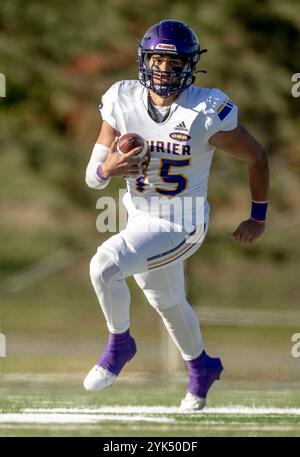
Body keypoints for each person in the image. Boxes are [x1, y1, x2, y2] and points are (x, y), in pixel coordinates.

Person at [83, 19, 269, 411]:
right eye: (157, 60)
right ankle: (202, 368)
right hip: (140, 217)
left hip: (182, 221)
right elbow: (93, 179)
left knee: (104, 266)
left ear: (191, 65)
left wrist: (258, 216)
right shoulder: (122, 99)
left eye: (174, 62)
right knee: (166, 302)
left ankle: (120, 343)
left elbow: (257, 156)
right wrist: (108, 169)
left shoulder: (204, 110)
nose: (164, 70)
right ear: (144, 60)